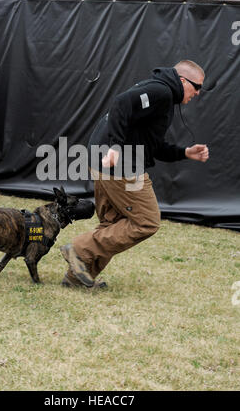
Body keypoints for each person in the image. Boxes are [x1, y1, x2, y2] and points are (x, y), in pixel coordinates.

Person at [60, 60, 209, 288]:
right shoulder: (162, 91)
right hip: (119, 164)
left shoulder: (161, 95)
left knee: (113, 223)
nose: (198, 93)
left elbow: (153, 145)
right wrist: (115, 147)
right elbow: (121, 103)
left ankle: (77, 278)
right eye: (197, 86)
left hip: (104, 159)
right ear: (182, 81)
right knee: (147, 222)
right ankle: (78, 250)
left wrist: (185, 153)